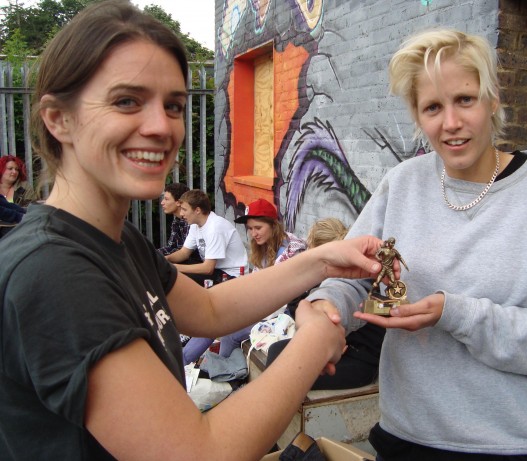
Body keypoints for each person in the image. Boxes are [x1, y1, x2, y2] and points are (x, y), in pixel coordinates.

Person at [0, 2, 390, 459]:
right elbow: (198, 452)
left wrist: (322, 261)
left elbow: (210, 308)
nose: (160, 127)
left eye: (173, 106)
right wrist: (314, 340)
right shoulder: (54, 271)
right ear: (58, 119)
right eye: (127, 101)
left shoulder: (116, 240)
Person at [307, 28, 527, 460]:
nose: (451, 123)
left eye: (465, 99)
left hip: (515, 446)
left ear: (493, 99)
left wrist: (457, 314)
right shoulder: (402, 183)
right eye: (432, 107)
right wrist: (322, 308)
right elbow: (351, 275)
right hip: (405, 438)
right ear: (418, 115)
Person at [183, 198, 308, 364]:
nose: (253, 233)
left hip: (280, 317)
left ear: (273, 225)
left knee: (228, 333)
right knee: (213, 317)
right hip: (262, 307)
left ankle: (222, 372)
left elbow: (279, 299)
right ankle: (182, 364)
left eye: (258, 228)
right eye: (250, 228)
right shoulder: (265, 246)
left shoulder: (290, 253)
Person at [268, 217, 386, 390]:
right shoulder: (345, 278)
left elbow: (296, 310)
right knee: (278, 354)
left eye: (310, 249)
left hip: (360, 359)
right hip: (346, 350)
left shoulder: (342, 279)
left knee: (278, 362)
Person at [165, 189, 247, 286]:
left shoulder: (215, 227)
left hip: (231, 275)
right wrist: (165, 259)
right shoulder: (195, 225)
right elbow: (184, 253)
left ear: (197, 210)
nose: (181, 214)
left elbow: (208, 269)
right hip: (216, 271)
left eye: (184, 209)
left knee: (176, 276)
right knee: (176, 269)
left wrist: (173, 268)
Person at [157, 182, 193, 257]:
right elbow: (172, 248)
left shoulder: (191, 222)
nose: (162, 202)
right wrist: (151, 254)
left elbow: (190, 254)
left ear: (178, 202)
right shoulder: (177, 221)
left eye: (166, 199)